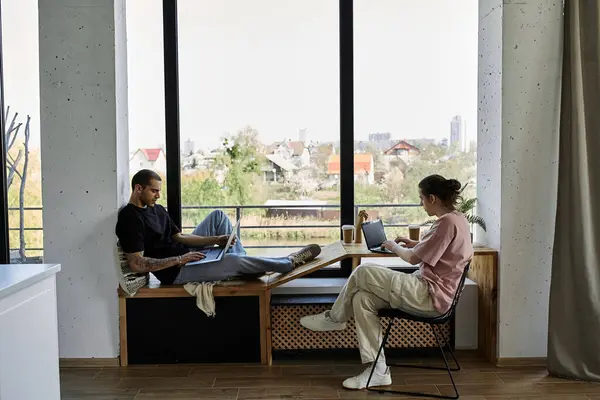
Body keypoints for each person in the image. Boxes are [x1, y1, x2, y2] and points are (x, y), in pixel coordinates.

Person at [300, 174, 473, 390]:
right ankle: (378, 370)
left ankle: (335, 318)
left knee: (363, 271)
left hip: (429, 296)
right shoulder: (458, 218)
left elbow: (412, 259)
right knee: (362, 299)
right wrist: (414, 243)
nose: (421, 204)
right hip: (431, 292)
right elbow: (438, 248)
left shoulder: (446, 223)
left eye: (421, 198)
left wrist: (393, 246)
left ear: (432, 198)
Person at [115, 169, 321, 284]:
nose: (158, 195)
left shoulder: (157, 209)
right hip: (175, 272)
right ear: (138, 188)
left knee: (218, 217)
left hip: (187, 255)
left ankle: (244, 264)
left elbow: (179, 237)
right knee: (231, 259)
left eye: (159, 191)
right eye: (154, 191)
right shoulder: (130, 218)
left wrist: (218, 240)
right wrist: (180, 259)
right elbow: (137, 263)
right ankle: (285, 263)